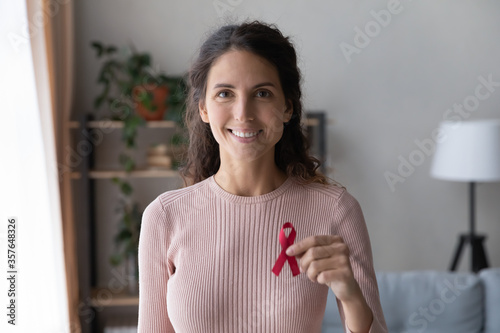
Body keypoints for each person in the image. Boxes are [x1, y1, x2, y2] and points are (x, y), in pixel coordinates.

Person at [138, 20, 387, 333]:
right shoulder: (164, 216)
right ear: (203, 109)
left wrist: (351, 296)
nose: (243, 113)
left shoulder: (336, 210)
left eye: (263, 93)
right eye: (225, 93)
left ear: (287, 108)